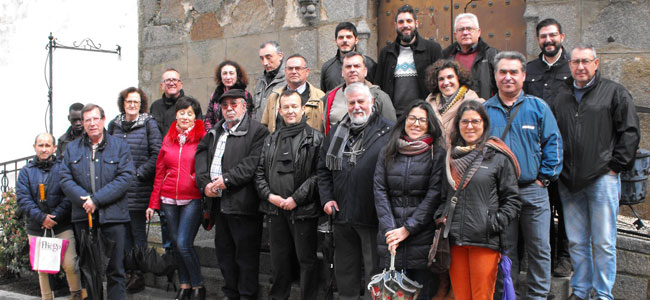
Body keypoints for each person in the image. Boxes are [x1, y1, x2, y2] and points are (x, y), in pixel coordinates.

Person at [551, 44, 640, 300]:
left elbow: (630, 132)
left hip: (602, 178)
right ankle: (580, 290)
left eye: (586, 61)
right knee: (578, 242)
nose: (580, 66)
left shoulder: (614, 93)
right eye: (576, 62)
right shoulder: (562, 96)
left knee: (603, 242)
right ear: (570, 65)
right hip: (569, 181)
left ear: (596, 63)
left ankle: (602, 294)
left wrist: (615, 167)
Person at [484, 51, 563, 300]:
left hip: (533, 189)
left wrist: (544, 178)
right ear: (495, 76)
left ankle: (539, 295)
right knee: (506, 250)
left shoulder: (537, 107)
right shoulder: (485, 110)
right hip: (500, 195)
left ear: (523, 75)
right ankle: (509, 294)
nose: (508, 77)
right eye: (503, 72)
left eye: (513, 72)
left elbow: (554, 143)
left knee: (539, 247)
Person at [435, 100, 521, 300]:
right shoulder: (450, 157)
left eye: (475, 121)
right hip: (455, 240)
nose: (470, 126)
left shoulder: (497, 157)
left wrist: (492, 222)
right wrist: (442, 217)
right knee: (462, 296)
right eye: (464, 122)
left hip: (485, 240)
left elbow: (512, 200)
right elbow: (442, 197)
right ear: (458, 125)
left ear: (484, 124)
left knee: (482, 296)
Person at [317, 82, 393, 300]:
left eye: (361, 101)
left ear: (371, 103)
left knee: (373, 272)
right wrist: (327, 199)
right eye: (352, 103)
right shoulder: (335, 133)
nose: (357, 106)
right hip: (341, 214)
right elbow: (323, 170)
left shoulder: (387, 131)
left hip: (372, 215)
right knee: (345, 272)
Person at [195, 89, 269, 300]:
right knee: (225, 254)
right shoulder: (215, 130)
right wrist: (205, 183)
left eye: (234, 104)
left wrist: (226, 180)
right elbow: (201, 155)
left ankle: (246, 295)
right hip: (218, 204)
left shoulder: (258, 131)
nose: (229, 108)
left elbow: (252, 163)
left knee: (245, 256)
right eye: (225, 105)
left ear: (244, 106)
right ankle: (230, 293)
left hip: (243, 204)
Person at [60, 104, 136, 300]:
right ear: (83, 124)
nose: (92, 123)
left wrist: (96, 200)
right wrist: (86, 201)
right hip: (83, 217)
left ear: (103, 120)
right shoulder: (71, 149)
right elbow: (65, 179)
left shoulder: (120, 146)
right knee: (89, 271)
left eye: (95, 119)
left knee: (115, 270)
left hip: (114, 217)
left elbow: (125, 177)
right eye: (87, 120)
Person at [254, 90, 323, 300]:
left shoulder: (316, 138)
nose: (290, 111)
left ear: (303, 109)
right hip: (274, 210)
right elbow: (259, 173)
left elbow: (319, 175)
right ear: (280, 110)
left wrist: (295, 199)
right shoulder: (270, 139)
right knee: (279, 262)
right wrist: (270, 196)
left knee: (307, 262)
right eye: (286, 107)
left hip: (303, 211)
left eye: (294, 106)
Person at [373, 101, 445, 299]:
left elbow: (434, 196)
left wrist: (407, 229)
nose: (416, 123)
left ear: (429, 124)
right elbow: (380, 190)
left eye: (422, 120)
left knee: (420, 292)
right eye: (412, 118)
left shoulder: (436, 154)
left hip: (421, 235)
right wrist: (390, 230)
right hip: (391, 237)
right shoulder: (388, 150)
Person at [523, 18, 573, 278]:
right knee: (541, 208)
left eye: (552, 35)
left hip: (564, 150)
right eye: (543, 36)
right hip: (533, 151)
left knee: (563, 207)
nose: (548, 40)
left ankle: (564, 257)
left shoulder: (572, 67)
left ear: (562, 36)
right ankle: (546, 256)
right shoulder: (529, 69)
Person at [147, 96, 206, 300]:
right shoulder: (168, 138)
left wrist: (195, 178)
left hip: (192, 197)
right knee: (174, 242)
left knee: (183, 242)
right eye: (182, 112)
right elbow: (160, 171)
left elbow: (205, 166)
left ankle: (198, 284)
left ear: (195, 116)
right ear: (176, 115)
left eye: (189, 113)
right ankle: (185, 284)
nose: (185, 117)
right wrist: (153, 203)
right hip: (168, 198)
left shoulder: (203, 137)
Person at [107, 87, 162, 293]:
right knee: (125, 234)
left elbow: (157, 153)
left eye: (136, 102)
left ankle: (139, 274)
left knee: (138, 232)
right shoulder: (114, 125)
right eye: (129, 101)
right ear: (123, 103)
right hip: (118, 190)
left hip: (139, 187)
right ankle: (129, 271)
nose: (132, 105)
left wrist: (138, 174)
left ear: (141, 105)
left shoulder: (149, 124)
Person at [16, 133, 82, 300]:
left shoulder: (63, 168)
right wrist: (42, 218)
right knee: (42, 269)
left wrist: (55, 217)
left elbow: (69, 195)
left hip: (61, 225)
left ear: (54, 148)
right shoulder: (25, 172)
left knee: (70, 264)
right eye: (40, 145)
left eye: (47, 145)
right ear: (35, 147)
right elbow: (23, 199)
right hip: (37, 227)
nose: (44, 149)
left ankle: (77, 296)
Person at [375, 4, 442, 117]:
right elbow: (378, 86)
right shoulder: (386, 53)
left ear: (416, 23)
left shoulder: (432, 49)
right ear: (396, 25)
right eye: (401, 22)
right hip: (394, 117)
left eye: (409, 21)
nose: (405, 25)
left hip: (424, 115)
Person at [323, 52, 396, 135]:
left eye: (357, 66)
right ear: (342, 72)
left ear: (365, 71)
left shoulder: (380, 98)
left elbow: (391, 132)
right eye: (348, 67)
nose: (352, 70)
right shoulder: (330, 97)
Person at [261, 54, 325, 132]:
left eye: (298, 68)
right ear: (285, 71)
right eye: (290, 68)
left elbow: (326, 128)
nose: (294, 72)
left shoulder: (320, 97)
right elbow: (265, 126)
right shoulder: (274, 96)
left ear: (307, 71)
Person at [441, 13, 498, 100]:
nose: (465, 33)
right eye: (461, 29)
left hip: (483, 109)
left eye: (469, 29)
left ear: (478, 32)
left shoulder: (492, 55)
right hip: (453, 110)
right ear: (455, 34)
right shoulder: (446, 56)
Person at [425, 59, 483, 144]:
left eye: (450, 77)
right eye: (441, 79)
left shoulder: (474, 102)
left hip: (460, 155)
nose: (446, 82)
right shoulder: (428, 102)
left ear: (458, 78)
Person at [321, 22, 377, 92]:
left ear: (356, 40)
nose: (345, 40)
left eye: (348, 37)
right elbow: (324, 96)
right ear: (336, 41)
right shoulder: (327, 67)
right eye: (341, 37)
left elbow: (376, 92)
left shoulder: (369, 64)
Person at [151, 69, 201, 137]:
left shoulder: (191, 105)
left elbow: (198, 132)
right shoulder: (155, 106)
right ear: (162, 85)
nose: (171, 83)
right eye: (168, 80)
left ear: (181, 84)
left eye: (174, 80)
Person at [205, 60, 253, 130]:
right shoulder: (215, 95)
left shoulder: (245, 95)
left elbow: (248, 119)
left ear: (237, 75)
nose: (228, 77)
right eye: (224, 73)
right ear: (220, 76)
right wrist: (212, 135)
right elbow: (209, 119)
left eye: (231, 73)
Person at [253, 41, 286, 121]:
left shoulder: (289, 80)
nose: (265, 63)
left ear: (280, 55)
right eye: (262, 58)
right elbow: (254, 109)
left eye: (268, 57)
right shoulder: (260, 81)